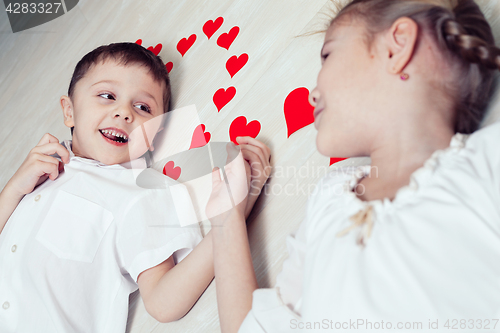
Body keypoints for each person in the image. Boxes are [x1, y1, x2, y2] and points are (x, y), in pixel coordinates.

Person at [206, 0, 500, 332]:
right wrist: (226, 216)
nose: (312, 94)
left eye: (327, 55)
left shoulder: (486, 161)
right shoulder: (329, 198)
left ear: (397, 47)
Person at [0, 42, 270, 332]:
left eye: (143, 107)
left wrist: (231, 215)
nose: (124, 112)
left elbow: (164, 302)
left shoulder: (143, 192)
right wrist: (14, 188)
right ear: (69, 111)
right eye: (107, 96)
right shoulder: (39, 169)